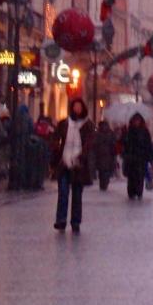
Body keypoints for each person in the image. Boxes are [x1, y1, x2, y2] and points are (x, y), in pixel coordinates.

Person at [50, 96, 96, 233]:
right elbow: (55, 138)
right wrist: (56, 148)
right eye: (75, 106)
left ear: (83, 108)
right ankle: (61, 220)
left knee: (77, 195)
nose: (77, 109)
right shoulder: (64, 123)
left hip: (79, 164)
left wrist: (82, 155)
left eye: (79, 106)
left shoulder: (88, 125)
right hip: (64, 162)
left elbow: (90, 142)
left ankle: (75, 222)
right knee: (63, 192)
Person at [122, 112, 153, 201]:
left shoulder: (145, 132)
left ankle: (139, 192)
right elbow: (125, 144)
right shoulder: (129, 131)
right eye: (135, 120)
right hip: (131, 159)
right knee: (131, 177)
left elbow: (148, 145)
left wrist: (149, 157)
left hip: (141, 158)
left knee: (140, 177)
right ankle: (131, 193)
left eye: (138, 120)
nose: (136, 122)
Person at [93, 119, 117, 190]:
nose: (104, 127)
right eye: (103, 126)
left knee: (107, 170)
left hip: (109, 154)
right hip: (101, 155)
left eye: (105, 125)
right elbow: (95, 143)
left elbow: (114, 142)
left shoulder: (110, 133)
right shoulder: (98, 134)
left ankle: (105, 182)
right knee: (102, 170)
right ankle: (103, 184)